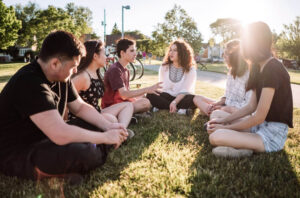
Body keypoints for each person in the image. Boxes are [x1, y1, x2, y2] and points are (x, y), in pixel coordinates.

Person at [0, 31, 128, 182]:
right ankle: (95, 152)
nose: (75, 71)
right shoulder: (29, 82)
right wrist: (105, 137)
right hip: (20, 152)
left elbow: (80, 107)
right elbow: (59, 133)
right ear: (55, 63)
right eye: (73, 66)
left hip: (47, 138)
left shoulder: (61, 76)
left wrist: (107, 126)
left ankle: (76, 163)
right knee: (84, 152)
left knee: (104, 120)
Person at [207, 22, 293, 158]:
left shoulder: (273, 68)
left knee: (216, 136)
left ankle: (244, 145)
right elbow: (251, 106)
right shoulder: (256, 67)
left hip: (272, 132)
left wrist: (225, 128)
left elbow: (259, 116)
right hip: (258, 125)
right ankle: (243, 144)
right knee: (216, 116)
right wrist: (223, 121)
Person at [68, 40, 134, 137]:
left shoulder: (96, 73)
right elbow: (66, 99)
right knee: (111, 119)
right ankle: (119, 131)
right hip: (84, 117)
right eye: (104, 54)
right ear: (95, 56)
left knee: (128, 105)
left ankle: (122, 130)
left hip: (97, 112)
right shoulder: (83, 76)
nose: (107, 57)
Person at [193, 39, 252, 117]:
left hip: (238, 111)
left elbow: (247, 106)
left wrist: (224, 108)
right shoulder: (231, 72)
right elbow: (227, 95)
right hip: (226, 106)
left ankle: (212, 113)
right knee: (197, 98)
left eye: (227, 53)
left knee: (215, 114)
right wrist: (219, 102)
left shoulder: (249, 75)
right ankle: (211, 111)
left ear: (236, 56)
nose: (223, 56)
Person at [101, 38, 161, 114]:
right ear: (122, 53)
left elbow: (127, 93)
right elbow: (124, 95)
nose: (135, 54)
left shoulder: (126, 70)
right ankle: (126, 114)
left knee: (144, 97)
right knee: (145, 102)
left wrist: (144, 93)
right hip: (111, 106)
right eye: (132, 51)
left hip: (121, 103)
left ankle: (129, 114)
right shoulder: (115, 69)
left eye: (135, 50)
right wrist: (147, 89)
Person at [146, 39, 197, 115]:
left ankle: (163, 106)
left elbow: (185, 90)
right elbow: (162, 88)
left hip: (182, 97)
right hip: (167, 95)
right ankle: (179, 109)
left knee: (193, 99)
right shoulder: (164, 67)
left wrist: (174, 102)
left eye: (175, 50)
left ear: (182, 53)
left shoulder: (191, 70)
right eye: (170, 50)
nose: (171, 53)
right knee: (150, 94)